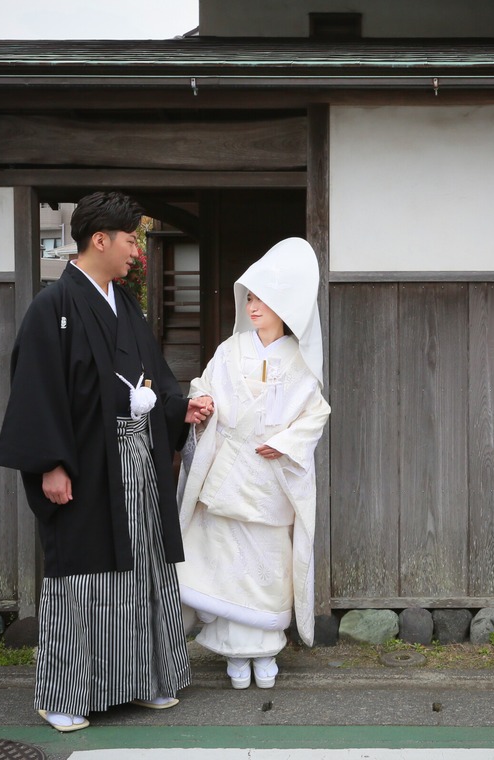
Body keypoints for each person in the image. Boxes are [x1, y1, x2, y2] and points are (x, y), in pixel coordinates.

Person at [0, 191, 213, 732]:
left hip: (138, 455)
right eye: (131, 238)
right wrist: (50, 463)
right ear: (100, 239)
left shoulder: (125, 304)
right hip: (87, 460)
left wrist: (181, 407)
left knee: (143, 567)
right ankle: (65, 694)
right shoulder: (54, 306)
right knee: (84, 575)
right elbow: (37, 389)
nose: (137, 249)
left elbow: (153, 376)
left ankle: (142, 681)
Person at [176, 237, 330, 690]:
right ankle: (233, 659)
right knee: (225, 568)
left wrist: (284, 442)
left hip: (268, 480)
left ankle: (265, 653)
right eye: (251, 296)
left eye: (263, 297)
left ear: (285, 306)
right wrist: (202, 402)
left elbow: (316, 412)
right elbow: (202, 384)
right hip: (228, 472)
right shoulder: (231, 349)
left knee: (264, 567)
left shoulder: (300, 362)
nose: (253, 304)